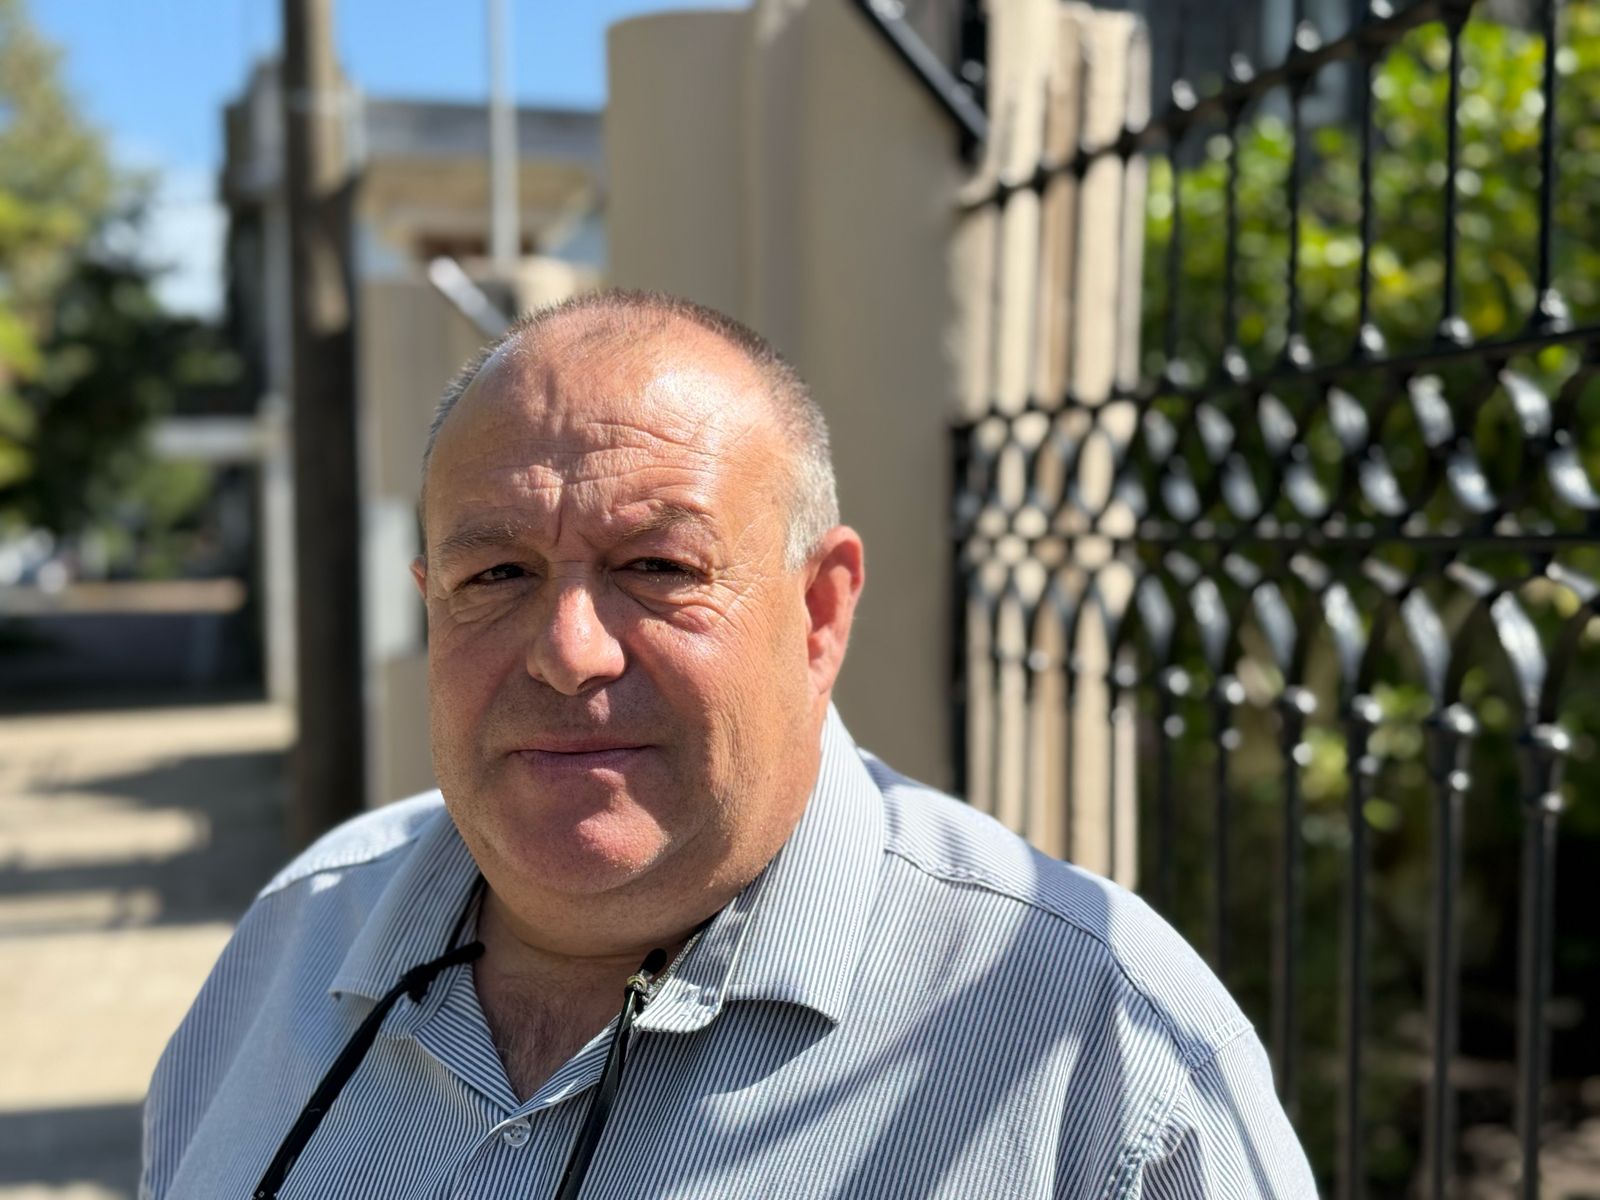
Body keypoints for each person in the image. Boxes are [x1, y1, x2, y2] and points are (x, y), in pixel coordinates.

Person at [141, 290, 1317, 1199]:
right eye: (495, 574)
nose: (568, 652)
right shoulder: (294, 941)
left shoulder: (1100, 1050)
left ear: (819, 613)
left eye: (656, 567)